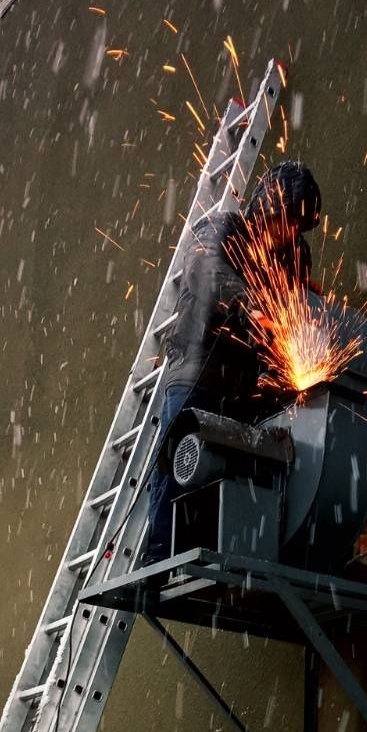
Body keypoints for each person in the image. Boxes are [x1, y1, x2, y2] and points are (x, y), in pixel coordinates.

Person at [143, 160, 322, 561]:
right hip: (199, 371)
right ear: (271, 205)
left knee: (221, 478)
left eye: (300, 225)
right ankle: (159, 557)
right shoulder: (224, 229)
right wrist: (250, 307)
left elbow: (296, 311)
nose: (292, 231)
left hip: (245, 392)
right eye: (290, 219)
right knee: (182, 465)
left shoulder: (291, 256)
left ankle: (210, 554)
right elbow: (206, 272)